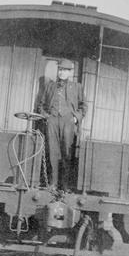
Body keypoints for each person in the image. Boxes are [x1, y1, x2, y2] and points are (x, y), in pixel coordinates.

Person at [37, 59, 88, 189]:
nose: (61, 72)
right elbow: (41, 106)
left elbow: (84, 106)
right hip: (52, 120)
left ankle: (65, 185)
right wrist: (46, 117)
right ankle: (53, 183)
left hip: (68, 122)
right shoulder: (50, 86)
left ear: (70, 72)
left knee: (67, 152)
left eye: (65, 70)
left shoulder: (77, 87)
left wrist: (76, 118)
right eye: (60, 69)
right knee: (52, 151)